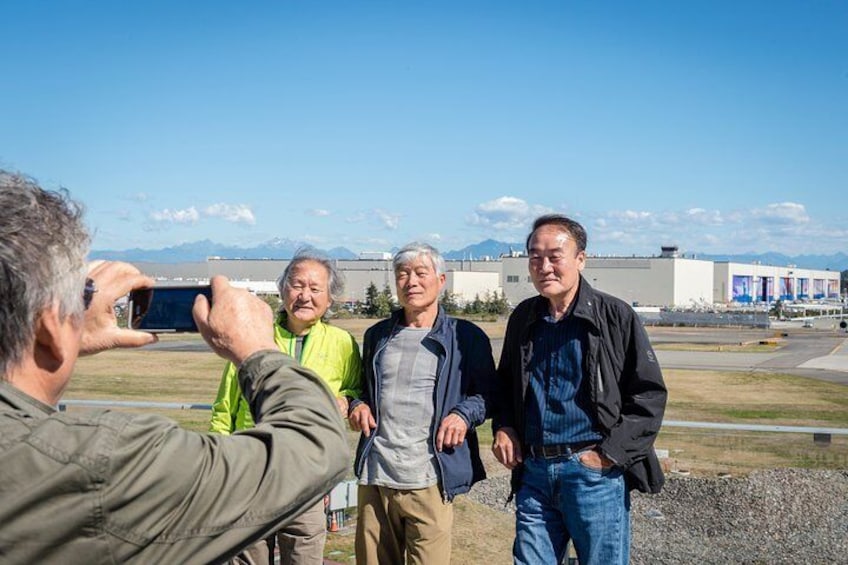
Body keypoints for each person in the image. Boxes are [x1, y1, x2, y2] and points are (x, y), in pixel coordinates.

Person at [0, 171, 349, 564]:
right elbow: (317, 447)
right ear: (50, 323)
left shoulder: (341, 342)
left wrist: (51, 337)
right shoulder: (106, 458)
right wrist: (258, 349)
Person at [491, 214, 667, 565]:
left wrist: (608, 455)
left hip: (593, 475)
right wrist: (504, 426)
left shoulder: (614, 316)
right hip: (535, 474)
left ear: (580, 259)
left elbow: (649, 395)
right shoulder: (524, 317)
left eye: (555, 256)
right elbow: (507, 383)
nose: (544, 266)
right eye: (535, 257)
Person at [210, 248, 362, 565]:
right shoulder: (253, 336)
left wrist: (346, 400)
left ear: (329, 298)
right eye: (297, 285)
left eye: (315, 288)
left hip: (306, 476)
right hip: (250, 473)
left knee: (304, 555)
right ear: (283, 289)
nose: (304, 295)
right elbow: (226, 404)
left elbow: (355, 390)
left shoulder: (342, 343)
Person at [348, 242, 496, 565]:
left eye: (420, 272)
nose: (410, 281)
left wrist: (462, 414)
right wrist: (356, 404)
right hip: (376, 476)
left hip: (429, 478)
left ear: (441, 280)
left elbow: (489, 395)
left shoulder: (466, 336)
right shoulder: (377, 335)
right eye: (402, 273)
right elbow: (360, 389)